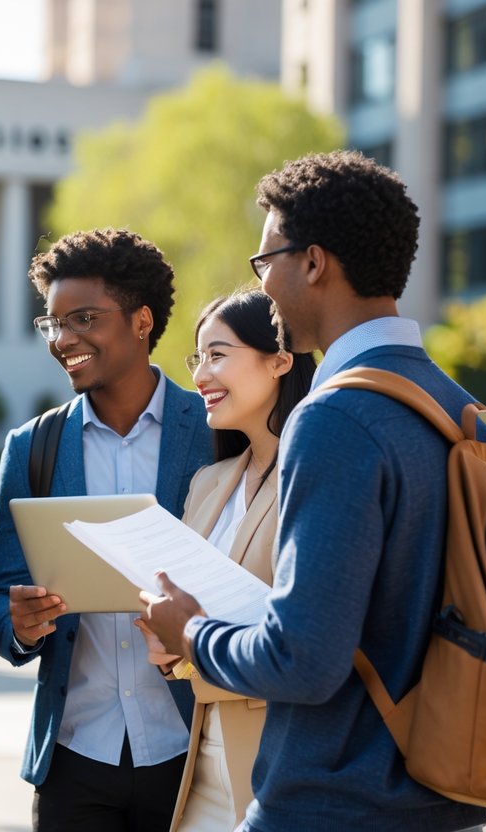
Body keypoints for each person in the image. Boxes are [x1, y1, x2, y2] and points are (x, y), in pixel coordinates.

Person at [140, 150, 486, 831]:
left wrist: (187, 630)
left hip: (330, 805)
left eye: (265, 259)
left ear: (312, 262)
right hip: (442, 798)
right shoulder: (456, 405)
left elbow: (301, 661)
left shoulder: (333, 417)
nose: (262, 281)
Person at [0, 228, 213, 832]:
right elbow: (1, 596)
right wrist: (22, 624)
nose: (63, 340)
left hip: (193, 748)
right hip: (75, 755)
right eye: (53, 324)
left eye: (83, 318)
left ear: (141, 320)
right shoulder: (32, 448)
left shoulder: (216, 433)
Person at [134, 289, 315, 832]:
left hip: (281, 766)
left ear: (280, 359)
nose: (200, 376)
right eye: (197, 359)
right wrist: (172, 648)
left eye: (217, 354)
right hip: (205, 761)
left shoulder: (312, 477)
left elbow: (302, 642)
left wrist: (192, 640)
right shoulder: (209, 482)